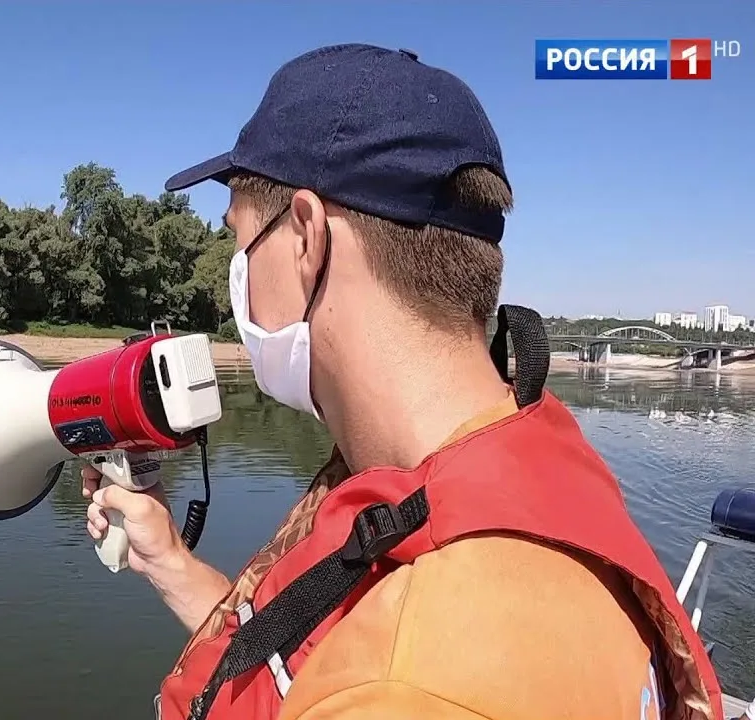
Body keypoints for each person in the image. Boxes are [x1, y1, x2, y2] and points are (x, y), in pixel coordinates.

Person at [81, 44, 724, 720]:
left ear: (306, 237)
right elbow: (298, 663)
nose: (234, 272)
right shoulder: (510, 460)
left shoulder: (415, 683)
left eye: (239, 241)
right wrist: (169, 561)